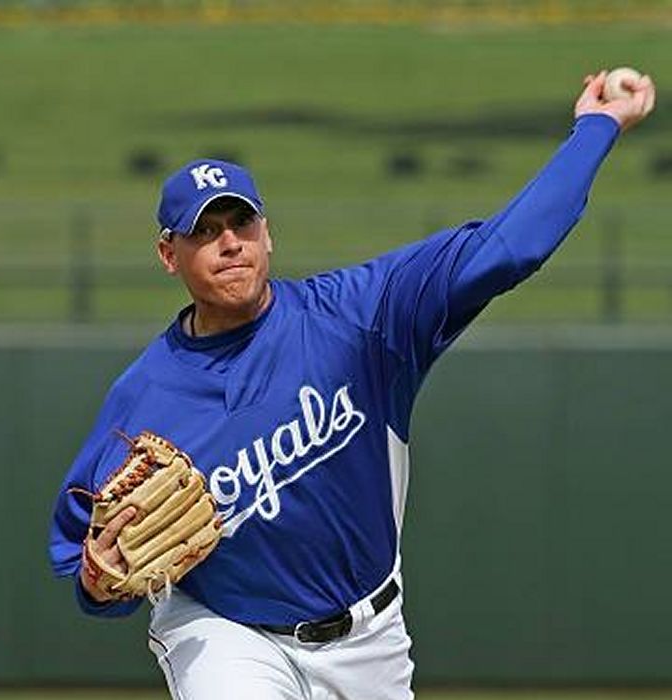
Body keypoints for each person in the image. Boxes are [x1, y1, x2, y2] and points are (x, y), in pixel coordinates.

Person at [49, 71, 655, 699]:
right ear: (168, 254)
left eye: (241, 223)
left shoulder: (359, 317)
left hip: (370, 637)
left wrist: (598, 125)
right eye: (203, 231)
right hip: (225, 631)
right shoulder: (142, 400)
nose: (229, 243)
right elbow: (86, 562)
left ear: (267, 233)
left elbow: (509, 247)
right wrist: (98, 579)